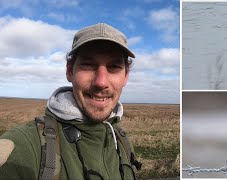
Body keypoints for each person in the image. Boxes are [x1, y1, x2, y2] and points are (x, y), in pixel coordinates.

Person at [0, 23, 141, 180]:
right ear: (69, 71)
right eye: (88, 65)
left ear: (126, 76)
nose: (101, 82)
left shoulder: (121, 141)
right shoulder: (23, 148)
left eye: (114, 66)